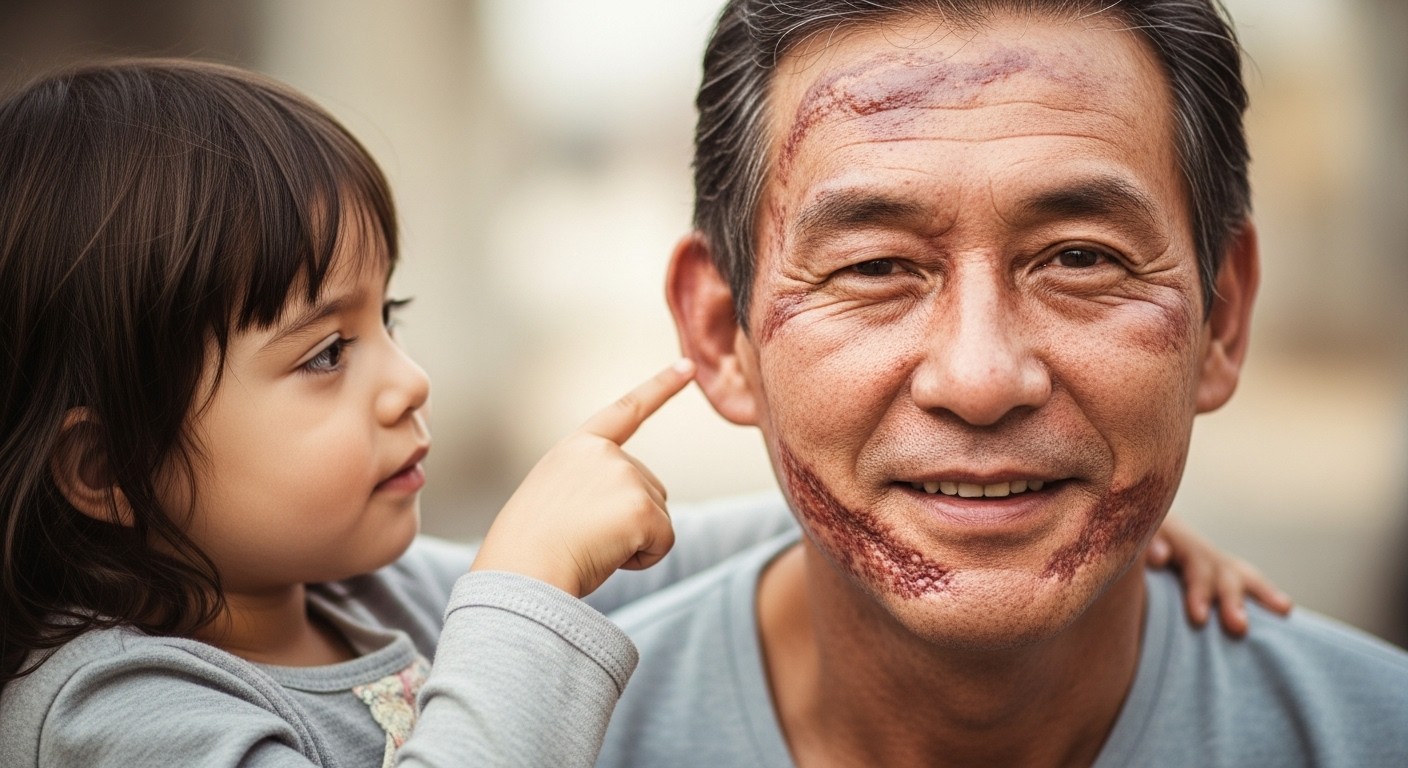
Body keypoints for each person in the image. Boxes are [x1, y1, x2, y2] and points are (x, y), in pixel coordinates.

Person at [0, 58, 1282, 768]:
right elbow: (530, 618)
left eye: (389, 317)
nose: (406, 379)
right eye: (326, 353)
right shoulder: (113, 711)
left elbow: (708, 554)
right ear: (104, 469)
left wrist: (1022, 509)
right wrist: (525, 581)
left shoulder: (356, 600)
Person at [599, 1, 1408, 767]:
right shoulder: (556, 731)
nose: (980, 380)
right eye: (874, 267)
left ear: (1220, 318)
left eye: (1080, 258)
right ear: (721, 333)